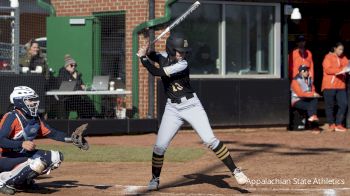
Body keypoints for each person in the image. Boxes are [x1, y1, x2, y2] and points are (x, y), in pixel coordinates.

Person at [137, 33, 248, 191]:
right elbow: (154, 55)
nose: (182, 54)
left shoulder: (182, 65)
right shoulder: (163, 56)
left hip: (191, 106)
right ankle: (155, 179)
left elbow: (156, 72)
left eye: (184, 51)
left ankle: (235, 171)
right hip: (172, 108)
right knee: (159, 147)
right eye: (179, 51)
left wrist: (143, 58)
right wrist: (146, 50)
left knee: (210, 140)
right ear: (170, 49)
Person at [0, 86, 88, 195]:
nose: (33, 103)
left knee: (55, 157)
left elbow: (53, 133)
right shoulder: (11, 117)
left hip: (17, 155)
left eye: (34, 100)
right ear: (19, 101)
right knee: (38, 161)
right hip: (3, 157)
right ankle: (4, 182)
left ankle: (22, 183)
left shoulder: (35, 119)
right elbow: (1, 140)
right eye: (29, 100)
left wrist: (72, 139)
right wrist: (21, 143)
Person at [57, 54, 98, 119]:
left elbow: (82, 85)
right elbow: (68, 86)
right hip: (66, 98)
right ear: (66, 66)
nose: (73, 67)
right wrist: (76, 81)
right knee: (80, 103)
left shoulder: (76, 74)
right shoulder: (63, 73)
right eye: (71, 65)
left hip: (75, 98)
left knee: (88, 103)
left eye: (75, 65)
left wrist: (81, 84)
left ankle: (86, 120)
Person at [322, 42, 349, 132]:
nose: (341, 51)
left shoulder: (344, 57)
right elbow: (328, 69)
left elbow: (347, 65)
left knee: (344, 104)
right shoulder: (328, 57)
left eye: (342, 50)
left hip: (341, 85)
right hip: (329, 85)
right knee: (330, 106)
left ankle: (338, 124)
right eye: (340, 49)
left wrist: (347, 70)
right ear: (335, 48)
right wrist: (341, 70)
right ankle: (331, 124)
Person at [291, 65, 321, 130]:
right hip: (296, 100)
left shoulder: (309, 79)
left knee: (314, 100)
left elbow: (312, 90)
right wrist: (313, 94)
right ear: (300, 72)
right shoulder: (295, 81)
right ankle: (313, 123)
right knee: (311, 106)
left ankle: (312, 118)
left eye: (307, 70)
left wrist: (315, 94)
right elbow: (300, 94)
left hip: (306, 99)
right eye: (305, 71)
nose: (307, 72)